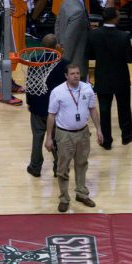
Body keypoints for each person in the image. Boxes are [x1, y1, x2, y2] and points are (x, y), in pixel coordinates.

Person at [45, 64, 103, 213]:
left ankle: (81, 194)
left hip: (83, 133)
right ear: (66, 76)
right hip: (64, 134)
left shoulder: (87, 88)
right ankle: (64, 198)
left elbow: (92, 109)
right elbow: (51, 115)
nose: (76, 76)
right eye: (72, 73)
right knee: (63, 167)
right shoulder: (57, 92)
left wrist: (99, 129)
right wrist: (48, 137)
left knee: (82, 163)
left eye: (77, 73)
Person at [85, 7, 132, 150]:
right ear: (114, 18)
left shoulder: (93, 34)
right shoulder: (123, 36)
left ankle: (106, 141)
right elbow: (130, 59)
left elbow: (89, 55)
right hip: (121, 78)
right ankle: (127, 136)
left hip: (103, 77)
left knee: (104, 110)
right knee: (124, 108)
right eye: (118, 15)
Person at [26, 34, 69, 178]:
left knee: (37, 138)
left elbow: (30, 85)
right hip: (57, 109)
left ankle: (35, 167)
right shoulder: (65, 63)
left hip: (38, 106)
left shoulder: (34, 61)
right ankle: (58, 167)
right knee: (57, 138)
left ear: (42, 46)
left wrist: (29, 102)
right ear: (57, 46)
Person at [55, 0, 92, 80]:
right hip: (75, 59)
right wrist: (65, 62)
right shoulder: (79, 12)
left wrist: (59, 42)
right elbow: (70, 38)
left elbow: (58, 23)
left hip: (64, 49)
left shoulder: (67, 1)